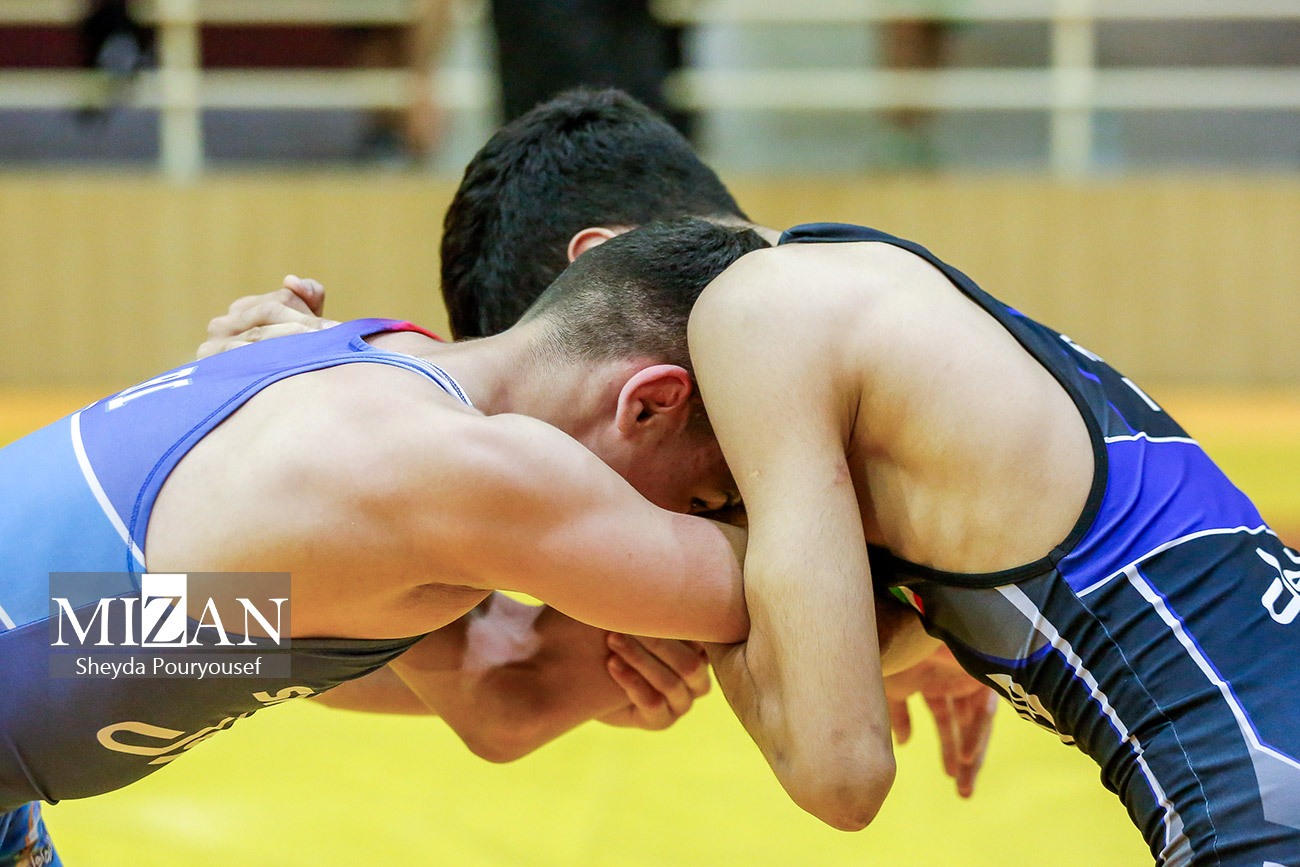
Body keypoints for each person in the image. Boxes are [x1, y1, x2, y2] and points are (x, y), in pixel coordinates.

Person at [201, 87, 999, 799]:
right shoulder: (860, 296)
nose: (681, 508)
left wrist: (927, 630)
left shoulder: (811, 370)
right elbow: (499, 685)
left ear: (608, 269)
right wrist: (920, 630)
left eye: (706, 499)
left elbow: (507, 689)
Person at [0, 220, 768, 865]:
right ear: (649, 404)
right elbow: (785, 588)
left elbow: (145, 635)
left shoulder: (370, 352)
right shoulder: (462, 469)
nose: (695, 523)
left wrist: (589, 660)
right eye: (705, 502)